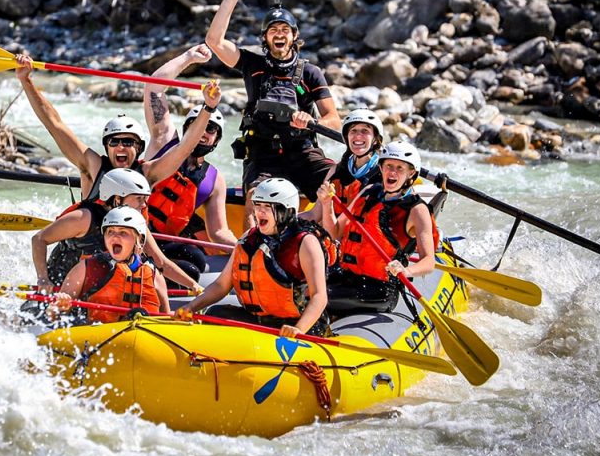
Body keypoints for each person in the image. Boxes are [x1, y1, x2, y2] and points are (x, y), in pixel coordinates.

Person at [204, 0, 341, 211]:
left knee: (338, 183)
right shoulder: (252, 64)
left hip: (303, 152)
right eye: (273, 30)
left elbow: (334, 121)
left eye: (285, 30)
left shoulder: (311, 72)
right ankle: (252, 246)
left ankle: (325, 238)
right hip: (262, 154)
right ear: (265, 38)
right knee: (257, 196)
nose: (279, 34)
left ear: (294, 36)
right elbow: (214, 41)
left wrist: (309, 120)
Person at [14, 53, 222, 201]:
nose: (121, 147)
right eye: (115, 141)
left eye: (128, 142)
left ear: (139, 148)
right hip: (91, 253)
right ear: (107, 146)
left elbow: (185, 147)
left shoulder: (148, 173)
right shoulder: (92, 166)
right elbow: (54, 124)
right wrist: (26, 81)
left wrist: (208, 107)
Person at [175, 178, 331, 337]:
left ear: (287, 211)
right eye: (257, 205)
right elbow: (221, 286)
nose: (259, 212)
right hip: (261, 321)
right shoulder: (248, 239)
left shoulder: (306, 243)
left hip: (297, 323)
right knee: (216, 313)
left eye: (267, 207)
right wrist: (191, 307)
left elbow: (319, 296)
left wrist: (299, 329)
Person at [142, 44, 238, 280]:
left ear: (217, 138)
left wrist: (245, 247)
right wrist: (188, 58)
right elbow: (154, 88)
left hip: (164, 243)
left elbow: (218, 232)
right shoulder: (164, 139)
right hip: (136, 230)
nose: (204, 132)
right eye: (199, 126)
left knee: (195, 261)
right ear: (187, 129)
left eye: (211, 129)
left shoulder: (214, 181)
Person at [30, 167, 202, 294]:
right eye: (139, 199)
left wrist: (193, 286)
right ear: (118, 198)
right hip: (64, 288)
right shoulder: (83, 218)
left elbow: (161, 263)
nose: (144, 205)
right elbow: (39, 239)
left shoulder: (136, 222)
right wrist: (43, 278)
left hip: (101, 288)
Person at [316, 141, 439, 312]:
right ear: (381, 168)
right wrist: (326, 204)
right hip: (346, 275)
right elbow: (335, 233)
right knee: (300, 286)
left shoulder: (417, 210)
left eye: (399, 168)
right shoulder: (369, 191)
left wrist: (406, 270)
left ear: (411, 174)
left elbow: (428, 262)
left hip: (379, 289)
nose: (392, 172)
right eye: (388, 165)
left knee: (314, 298)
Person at [51, 206, 169, 323]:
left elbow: (166, 319)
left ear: (140, 240)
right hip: (95, 336)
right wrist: (60, 307)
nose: (114, 237)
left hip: (143, 336)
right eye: (110, 231)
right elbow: (52, 315)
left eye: (123, 232)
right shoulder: (85, 269)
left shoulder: (154, 275)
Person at [315, 108, 386, 225]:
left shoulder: (384, 174)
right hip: (334, 236)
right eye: (353, 131)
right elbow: (314, 214)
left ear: (375, 140)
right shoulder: (336, 170)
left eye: (365, 131)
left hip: (362, 239)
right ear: (347, 138)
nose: (358, 136)